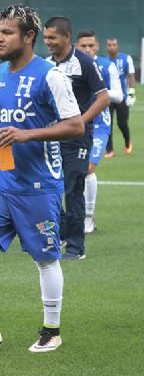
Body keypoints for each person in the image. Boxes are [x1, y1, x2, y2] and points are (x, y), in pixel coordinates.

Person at [0, 4, 83, 355]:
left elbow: (75, 125)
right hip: (0, 181)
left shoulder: (50, 76)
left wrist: (27, 135)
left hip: (38, 184)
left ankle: (51, 330)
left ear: (29, 37)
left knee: (45, 258)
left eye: (8, 32)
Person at [44, 16, 108, 260]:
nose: (48, 42)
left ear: (66, 37)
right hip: (51, 136)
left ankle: (75, 247)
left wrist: (80, 121)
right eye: (46, 37)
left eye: (52, 37)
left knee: (73, 188)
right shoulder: (46, 64)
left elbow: (102, 97)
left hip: (77, 138)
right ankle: (61, 232)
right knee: (49, 187)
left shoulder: (85, 62)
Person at [75, 30, 123, 234]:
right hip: (73, 124)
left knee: (88, 169)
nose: (87, 49)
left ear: (97, 47)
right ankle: (69, 217)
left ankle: (88, 216)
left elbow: (119, 96)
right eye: (83, 45)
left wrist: (97, 87)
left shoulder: (106, 66)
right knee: (67, 173)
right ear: (76, 45)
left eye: (91, 45)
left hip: (99, 126)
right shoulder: (70, 65)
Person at [104, 38, 137, 156]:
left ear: (117, 46)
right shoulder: (104, 61)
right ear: (106, 46)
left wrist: (131, 93)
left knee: (122, 124)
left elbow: (131, 76)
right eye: (109, 45)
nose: (111, 47)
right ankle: (109, 150)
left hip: (122, 96)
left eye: (114, 45)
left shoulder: (125, 58)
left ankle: (128, 143)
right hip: (109, 97)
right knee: (108, 124)